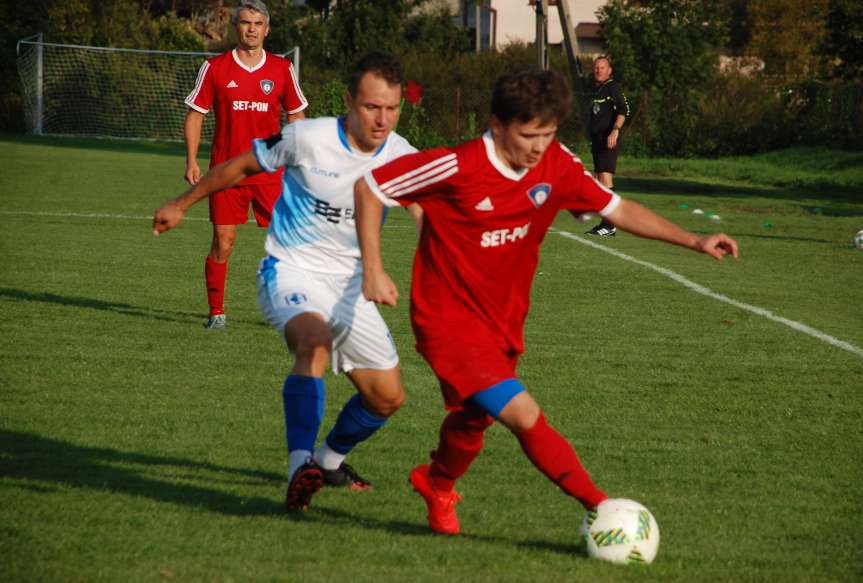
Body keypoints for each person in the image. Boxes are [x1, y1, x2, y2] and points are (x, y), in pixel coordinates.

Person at [354, 69, 738, 535]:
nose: (539, 146)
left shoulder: (556, 165)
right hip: (447, 321)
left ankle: (436, 482)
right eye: (529, 135)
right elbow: (371, 188)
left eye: (549, 133)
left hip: (503, 320)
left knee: (474, 417)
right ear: (497, 126)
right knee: (522, 413)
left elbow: (615, 209)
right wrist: (373, 269)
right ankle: (603, 509)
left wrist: (694, 240)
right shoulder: (458, 165)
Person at [154, 53, 421, 512]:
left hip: (353, 287)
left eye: (392, 108)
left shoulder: (403, 155)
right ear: (348, 101)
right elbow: (238, 167)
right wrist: (182, 203)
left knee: (386, 398)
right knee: (313, 343)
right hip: (291, 269)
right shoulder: (307, 137)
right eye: (372, 107)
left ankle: (328, 461)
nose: (382, 119)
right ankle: (300, 467)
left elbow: (428, 212)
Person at [184, 0, 308, 330]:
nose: (251, 29)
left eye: (257, 23)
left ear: (267, 29)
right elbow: (196, 114)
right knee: (223, 241)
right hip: (225, 173)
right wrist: (192, 160)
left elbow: (296, 112)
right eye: (244, 22)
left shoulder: (282, 69)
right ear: (235, 27)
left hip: (270, 172)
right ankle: (216, 313)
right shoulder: (215, 68)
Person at [585, 55, 629, 237]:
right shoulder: (599, 90)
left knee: (605, 180)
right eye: (596, 67)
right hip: (598, 141)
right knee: (599, 181)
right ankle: (605, 222)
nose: (598, 70)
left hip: (608, 139)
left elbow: (624, 109)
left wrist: (615, 130)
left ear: (609, 70)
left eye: (602, 67)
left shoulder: (612, 87)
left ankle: (610, 225)